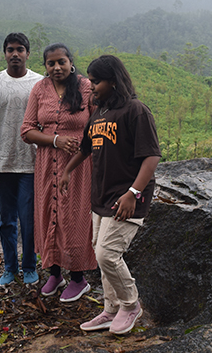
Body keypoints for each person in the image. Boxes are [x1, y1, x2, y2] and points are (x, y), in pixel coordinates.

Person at [60, 54, 161, 335]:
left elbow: (151, 157)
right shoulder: (99, 112)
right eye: (90, 80)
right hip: (101, 195)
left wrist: (132, 193)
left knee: (108, 253)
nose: (90, 86)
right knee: (99, 250)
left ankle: (131, 305)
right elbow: (85, 147)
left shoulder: (136, 110)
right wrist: (67, 171)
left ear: (114, 81)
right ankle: (111, 308)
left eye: (96, 81)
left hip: (126, 197)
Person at [20, 43, 97, 302]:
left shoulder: (86, 87)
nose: (56, 67)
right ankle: (54, 272)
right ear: (45, 66)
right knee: (47, 215)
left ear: (70, 62)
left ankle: (78, 278)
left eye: (61, 62)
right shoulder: (39, 89)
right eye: (51, 63)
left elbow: (97, 126)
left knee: (73, 217)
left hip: (79, 164)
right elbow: (27, 130)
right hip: (46, 163)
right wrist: (55, 140)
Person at [0, 33, 44, 287]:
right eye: (10, 50)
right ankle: (10, 267)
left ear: (28, 53)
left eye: (20, 49)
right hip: (2, 164)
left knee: (29, 220)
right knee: (6, 221)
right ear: (4, 53)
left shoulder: (40, 83)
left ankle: (29, 265)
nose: (15, 54)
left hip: (32, 162)